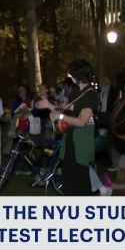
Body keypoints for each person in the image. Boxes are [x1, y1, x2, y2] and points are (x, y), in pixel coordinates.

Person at [38, 59, 100, 196]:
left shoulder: (90, 95)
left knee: (81, 182)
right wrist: (49, 105)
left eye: (71, 72)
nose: (69, 75)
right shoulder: (75, 91)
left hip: (82, 141)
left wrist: (60, 117)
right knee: (68, 181)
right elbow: (68, 111)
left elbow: (82, 121)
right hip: (70, 139)